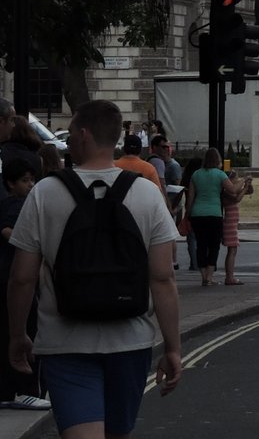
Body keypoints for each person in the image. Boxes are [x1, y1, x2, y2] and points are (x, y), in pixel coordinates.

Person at [8, 100, 181, 435]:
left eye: (71, 132)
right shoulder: (147, 194)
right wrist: (173, 347)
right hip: (129, 342)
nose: (69, 140)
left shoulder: (45, 193)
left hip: (65, 342)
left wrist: (18, 335)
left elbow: (22, 278)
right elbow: (163, 279)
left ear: (84, 135)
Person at [0, 158, 48, 411]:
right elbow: (7, 230)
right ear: (10, 183)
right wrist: (30, 244)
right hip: (19, 279)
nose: (31, 185)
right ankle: (26, 390)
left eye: (32, 180)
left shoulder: (9, 203)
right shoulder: (18, 205)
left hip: (8, 276)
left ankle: (9, 390)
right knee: (27, 332)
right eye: (24, 180)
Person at [185, 149, 233, 287]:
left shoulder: (196, 174)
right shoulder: (220, 174)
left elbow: (190, 198)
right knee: (213, 246)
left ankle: (203, 276)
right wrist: (244, 181)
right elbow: (233, 190)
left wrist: (188, 214)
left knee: (201, 245)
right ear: (217, 160)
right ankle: (209, 277)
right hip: (214, 214)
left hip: (197, 214)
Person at [221, 171, 253, 285]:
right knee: (232, 249)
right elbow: (236, 199)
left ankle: (230, 276)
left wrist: (248, 185)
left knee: (233, 249)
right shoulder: (226, 191)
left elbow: (250, 191)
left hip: (232, 222)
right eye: (236, 179)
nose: (238, 181)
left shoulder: (232, 190)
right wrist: (244, 183)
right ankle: (229, 277)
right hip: (228, 222)